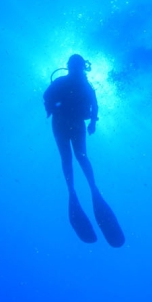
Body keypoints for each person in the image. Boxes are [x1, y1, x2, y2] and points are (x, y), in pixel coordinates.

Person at [44, 55, 124, 246]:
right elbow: (94, 105)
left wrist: (51, 109)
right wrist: (93, 123)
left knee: (72, 158)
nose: (75, 69)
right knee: (77, 157)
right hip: (72, 122)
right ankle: (88, 189)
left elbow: (47, 96)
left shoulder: (66, 82)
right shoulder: (84, 85)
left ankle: (79, 191)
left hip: (63, 122)